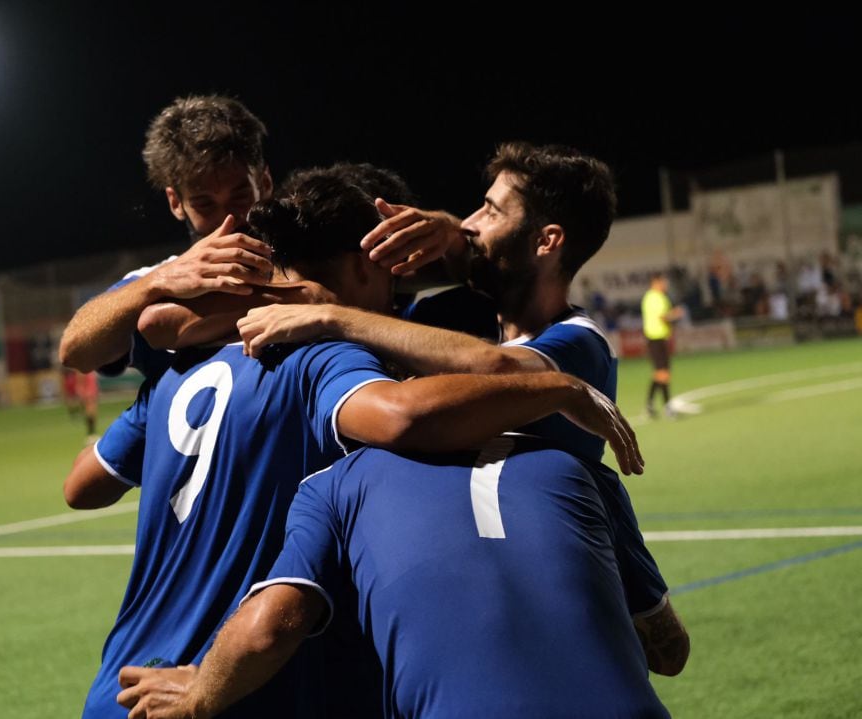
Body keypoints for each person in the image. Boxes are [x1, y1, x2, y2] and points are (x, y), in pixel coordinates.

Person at [68, 173, 642, 718]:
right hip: (224, 688)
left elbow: (83, 484)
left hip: (123, 681)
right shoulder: (327, 356)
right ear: (364, 265)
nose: (398, 294)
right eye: (394, 273)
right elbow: (401, 416)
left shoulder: (179, 369)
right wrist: (558, 389)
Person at [117, 438, 689, 719]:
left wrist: (198, 691)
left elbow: (270, 626)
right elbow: (670, 652)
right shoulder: (582, 468)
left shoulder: (337, 482)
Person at [235, 142, 625, 464]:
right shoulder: (447, 315)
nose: (469, 223)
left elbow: (501, 368)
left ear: (546, 241)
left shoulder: (580, 343)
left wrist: (331, 315)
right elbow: (377, 294)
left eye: (492, 212)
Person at [58, 95, 280, 377]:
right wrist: (157, 282)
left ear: (265, 183)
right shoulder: (160, 284)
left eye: (240, 196)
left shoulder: (308, 262)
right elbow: (74, 352)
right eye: (204, 204)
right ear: (176, 203)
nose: (228, 218)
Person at [641, 271, 683, 418]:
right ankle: (667, 406)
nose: (666, 284)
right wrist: (675, 313)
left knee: (660, 373)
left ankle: (650, 405)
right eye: (663, 281)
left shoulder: (657, 296)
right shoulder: (654, 297)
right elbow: (662, 317)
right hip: (655, 339)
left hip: (659, 338)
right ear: (656, 282)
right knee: (663, 373)